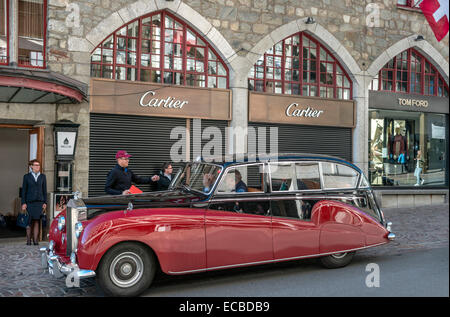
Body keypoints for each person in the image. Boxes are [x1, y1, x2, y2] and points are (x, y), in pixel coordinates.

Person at [21, 159, 47, 245]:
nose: (37, 167)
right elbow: (24, 191)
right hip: (29, 202)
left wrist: (45, 202)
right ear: (31, 166)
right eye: (36, 165)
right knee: (29, 221)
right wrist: (23, 203)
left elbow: (44, 190)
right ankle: (28, 240)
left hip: (39, 202)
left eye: (38, 165)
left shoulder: (43, 176)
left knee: (36, 221)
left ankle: (35, 240)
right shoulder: (26, 177)